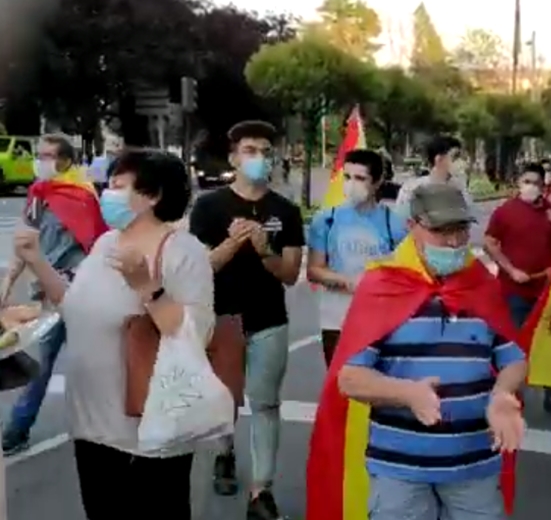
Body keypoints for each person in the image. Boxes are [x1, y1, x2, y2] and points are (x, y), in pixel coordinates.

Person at [310, 183, 526, 519]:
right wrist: (406, 393)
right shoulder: (382, 285)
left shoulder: (481, 283)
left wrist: (502, 393)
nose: (454, 242)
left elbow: (512, 357)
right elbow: (349, 379)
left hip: (475, 466)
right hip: (400, 471)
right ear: (412, 227)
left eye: (461, 230)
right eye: (441, 231)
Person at [15, 149, 207, 518]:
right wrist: (37, 260)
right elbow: (74, 308)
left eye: (118, 186)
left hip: (147, 435)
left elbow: (191, 336)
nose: (107, 194)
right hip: (91, 427)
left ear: (153, 197)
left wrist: (147, 287)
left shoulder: (183, 252)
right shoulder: (106, 244)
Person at [189, 121, 305, 520]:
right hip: (221, 319)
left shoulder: (285, 210)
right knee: (224, 400)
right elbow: (200, 267)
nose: (259, 158)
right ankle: (224, 452)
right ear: (235, 157)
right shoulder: (209, 206)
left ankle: (261, 492)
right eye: (251, 150)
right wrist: (233, 242)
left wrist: (263, 248)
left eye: (266, 151)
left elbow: (290, 273)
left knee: (266, 404)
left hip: (269, 319)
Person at [1, 134, 108, 455]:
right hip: (47, 296)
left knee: (93, 363)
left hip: (81, 293)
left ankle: (101, 428)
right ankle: (16, 430)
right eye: (40, 154)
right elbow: (25, 242)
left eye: (48, 155)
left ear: (65, 160)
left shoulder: (83, 195)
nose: (41, 161)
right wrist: (8, 285)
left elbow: (97, 244)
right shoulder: (37, 193)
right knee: (42, 363)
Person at [307, 149, 408, 366]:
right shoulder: (326, 219)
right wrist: (348, 282)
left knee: (378, 387)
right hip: (336, 317)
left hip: (381, 317)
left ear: (378, 181)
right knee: (340, 387)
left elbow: (407, 271)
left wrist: (379, 280)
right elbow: (314, 270)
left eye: (360, 178)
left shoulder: (395, 223)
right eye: (347, 177)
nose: (351, 184)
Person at [484, 162, 551, 412]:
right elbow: (489, 242)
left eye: (536, 182)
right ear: (518, 183)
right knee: (514, 344)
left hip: (546, 291)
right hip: (514, 291)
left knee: (550, 341)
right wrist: (511, 270)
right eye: (527, 181)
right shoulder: (504, 211)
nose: (531, 187)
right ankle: (510, 394)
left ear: (544, 185)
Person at [395, 135, 472, 214]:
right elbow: (400, 221)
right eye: (455, 157)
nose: (462, 162)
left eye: (462, 157)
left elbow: (470, 219)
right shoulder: (410, 190)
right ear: (439, 159)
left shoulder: (460, 189)